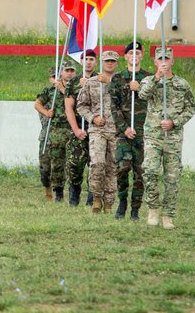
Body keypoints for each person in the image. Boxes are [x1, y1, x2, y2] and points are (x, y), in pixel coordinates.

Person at [137, 47, 195, 229]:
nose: (164, 62)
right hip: (153, 136)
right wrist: (156, 77)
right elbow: (142, 95)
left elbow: (191, 108)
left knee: (172, 176)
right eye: (160, 59)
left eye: (167, 59)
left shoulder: (181, 84)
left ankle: (168, 215)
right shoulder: (148, 80)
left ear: (172, 61)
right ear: (155, 61)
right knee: (150, 171)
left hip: (173, 137)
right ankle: (153, 208)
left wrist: (175, 122)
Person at [76, 50, 127, 214]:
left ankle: (109, 203)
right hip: (97, 130)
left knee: (112, 167)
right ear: (102, 63)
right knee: (97, 164)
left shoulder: (121, 82)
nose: (109, 64)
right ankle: (96, 197)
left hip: (115, 130)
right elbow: (81, 106)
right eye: (107, 61)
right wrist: (92, 118)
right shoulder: (91, 83)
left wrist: (110, 82)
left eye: (112, 61)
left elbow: (128, 100)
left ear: (116, 63)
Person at [112, 42, 152, 220]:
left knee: (140, 173)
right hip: (123, 133)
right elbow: (114, 107)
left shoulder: (148, 79)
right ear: (125, 57)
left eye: (137, 52)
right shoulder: (118, 78)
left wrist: (140, 88)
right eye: (130, 53)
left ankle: (135, 209)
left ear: (142, 56)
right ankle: (122, 202)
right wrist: (124, 128)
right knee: (122, 168)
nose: (134, 55)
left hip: (143, 133)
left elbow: (156, 100)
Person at [34, 64, 76, 202]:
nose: (69, 73)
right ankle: (47, 188)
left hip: (70, 132)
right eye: (67, 71)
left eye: (72, 71)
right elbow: (37, 104)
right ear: (61, 73)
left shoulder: (77, 90)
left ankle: (61, 193)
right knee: (45, 168)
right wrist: (46, 112)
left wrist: (63, 89)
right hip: (50, 133)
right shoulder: (50, 90)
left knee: (65, 166)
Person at [63, 49, 99, 207]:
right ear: (81, 61)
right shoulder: (73, 82)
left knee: (95, 166)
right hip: (78, 131)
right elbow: (68, 108)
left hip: (96, 130)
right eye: (86, 59)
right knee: (75, 166)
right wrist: (76, 130)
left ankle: (92, 200)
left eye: (92, 59)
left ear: (95, 62)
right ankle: (74, 198)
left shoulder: (101, 80)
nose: (89, 62)